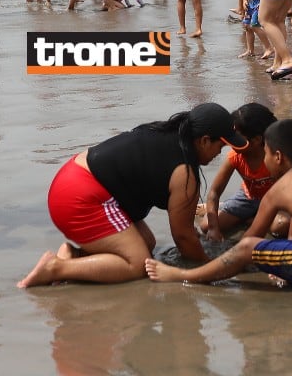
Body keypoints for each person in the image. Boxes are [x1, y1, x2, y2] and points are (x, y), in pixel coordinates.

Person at [18, 103, 245, 287]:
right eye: (220, 147)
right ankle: (56, 268)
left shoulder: (165, 133)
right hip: (81, 197)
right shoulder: (184, 172)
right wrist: (208, 268)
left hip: (70, 178)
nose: (218, 154)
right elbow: (183, 236)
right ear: (204, 140)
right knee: (138, 265)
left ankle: (76, 255)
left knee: (147, 243)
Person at [145, 118, 292, 291]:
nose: (264, 159)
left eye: (266, 154)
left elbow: (249, 242)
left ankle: (182, 276)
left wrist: (274, 262)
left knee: (246, 248)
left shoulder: (279, 190)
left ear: (278, 157)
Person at [197, 103, 286, 240]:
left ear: (256, 140)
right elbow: (214, 192)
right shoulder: (235, 156)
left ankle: (251, 219)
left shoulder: (276, 156)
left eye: (237, 138)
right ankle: (248, 215)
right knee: (206, 225)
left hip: (276, 201)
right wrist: (214, 228)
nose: (231, 142)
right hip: (248, 198)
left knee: (280, 226)